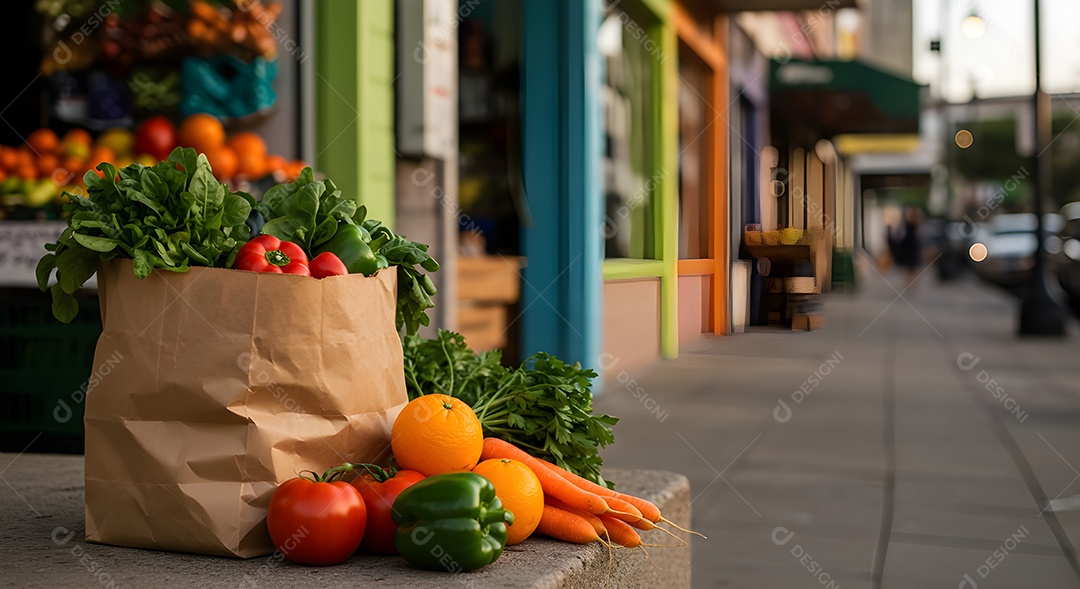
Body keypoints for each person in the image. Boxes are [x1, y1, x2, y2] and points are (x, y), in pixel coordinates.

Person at [889, 206, 923, 286]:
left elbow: (900, 235)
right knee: (912, 266)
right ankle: (912, 282)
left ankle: (910, 282)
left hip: (909, 246)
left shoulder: (907, 224)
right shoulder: (916, 224)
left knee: (910, 267)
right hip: (913, 246)